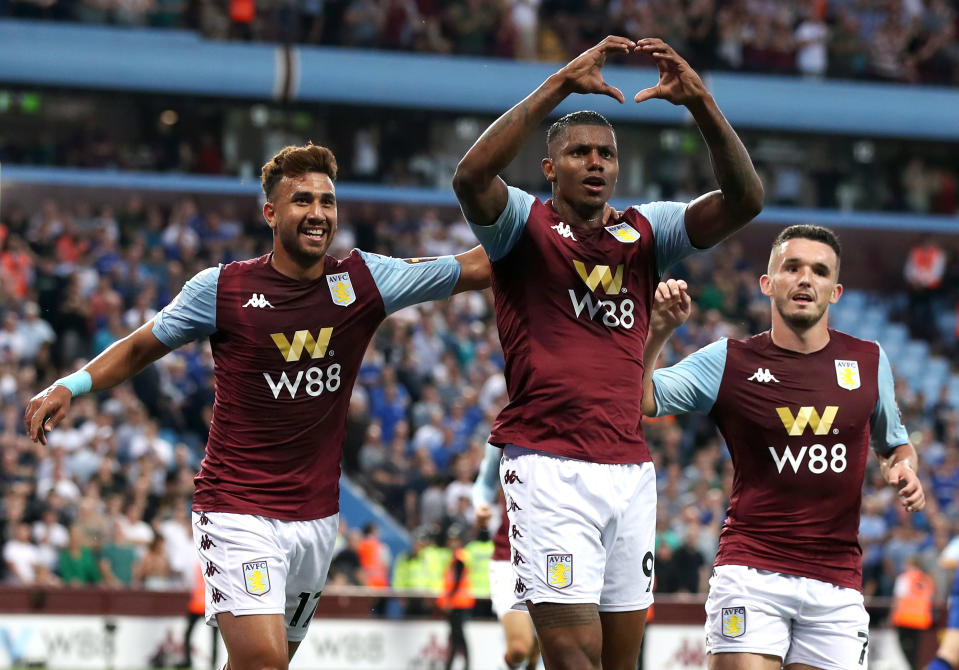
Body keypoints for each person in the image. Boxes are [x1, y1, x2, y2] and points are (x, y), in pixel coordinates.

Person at [24, 143, 491, 670]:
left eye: (327, 202)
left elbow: (474, 267)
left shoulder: (364, 281)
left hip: (316, 518)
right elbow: (138, 347)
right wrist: (73, 383)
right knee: (264, 663)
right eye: (302, 201)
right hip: (236, 506)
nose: (318, 213)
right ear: (271, 213)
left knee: (263, 665)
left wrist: (563, 231)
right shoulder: (223, 289)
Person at [452, 35, 763, 670]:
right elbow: (471, 176)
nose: (595, 163)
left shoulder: (645, 232)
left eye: (606, 154)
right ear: (550, 168)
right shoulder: (522, 227)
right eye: (578, 153)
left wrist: (701, 101)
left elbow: (745, 202)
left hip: (629, 471)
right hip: (546, 466)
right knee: (572, 659)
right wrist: (561, 83)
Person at [641, 224, 927, 670]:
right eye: (792, 267)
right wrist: (657, 332)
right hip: (751, 571)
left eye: (819, 270)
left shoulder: (869, 361)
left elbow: (896, 445)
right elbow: (643, 398)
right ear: (768, 283)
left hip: (836, 583)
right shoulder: (729, 360)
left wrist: (902, 467)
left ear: (835, 291)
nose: (805, 279)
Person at [473, 443, 539, 670]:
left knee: (554, 648)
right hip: (509, 557)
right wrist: (480, 505)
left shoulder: (574, 430)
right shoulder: (504, 434)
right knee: (520, 648)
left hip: (556, 558)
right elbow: (485, 483)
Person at [438, 525, 475, 670]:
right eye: (450, 540)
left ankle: (466, 665)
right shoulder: (454, 557)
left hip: (460, 603)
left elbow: (458, 581)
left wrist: (448, 599)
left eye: (455, 540)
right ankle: (451, 664)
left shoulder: (460, 557)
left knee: (458, 635)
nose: (452, 543)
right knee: (455, 635)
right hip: (456, 602)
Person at [891, 556, 934, 669]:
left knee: (905, 648)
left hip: (905, 619)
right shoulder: (927, 579)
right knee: (916, 649)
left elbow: (898, 598)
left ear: (911, 565)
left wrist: (892, 617)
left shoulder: (904, 578)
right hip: (921, 620)